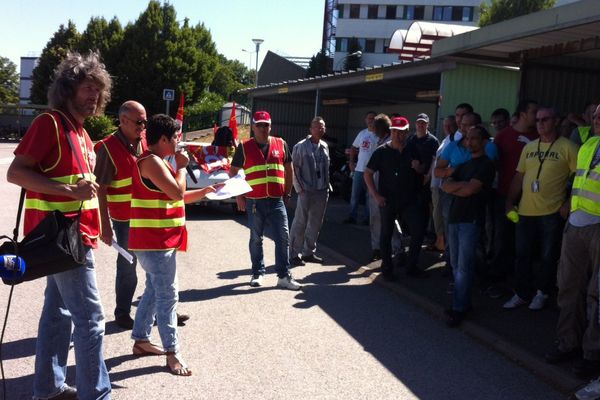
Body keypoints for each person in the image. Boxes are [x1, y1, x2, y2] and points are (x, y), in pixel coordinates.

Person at [7, 52, 112, 400]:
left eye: (98, 90)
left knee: (58, 314)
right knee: (91, 320)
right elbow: (16, 172)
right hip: (63, 240)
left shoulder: (80, 132)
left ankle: (48, 388)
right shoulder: (50, 123)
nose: (93, 96)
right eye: (86, 88)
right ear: (68, 89)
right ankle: (96, 394)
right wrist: (70, 190)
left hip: (76, 238)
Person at [128, 114, 219, 377]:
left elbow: (175, 197)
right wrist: (180, 167)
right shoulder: (152, 162)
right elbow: (177, 192)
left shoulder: (156, 161)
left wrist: (204, 192)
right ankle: (173, 353)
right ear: (164, 139)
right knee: (168, 296)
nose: (180, 142)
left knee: (154, 292)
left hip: (156, 241)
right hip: (154, 243)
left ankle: (141, 340)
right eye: (177, 137)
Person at [504, 107, 579, 311]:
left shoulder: (568, 147)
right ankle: (521, 293)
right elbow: (519, 177)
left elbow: (581, 177)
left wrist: (568, 202)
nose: (540, 123)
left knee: (548, 257)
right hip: (525, 212)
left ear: (555, 121)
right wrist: (510, 201)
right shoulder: (529, 148)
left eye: (545, 119)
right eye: (537, 120)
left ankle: (542, 293)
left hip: (552, 213)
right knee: (522, 255)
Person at [546, 105, 600, 379]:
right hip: (576, 225)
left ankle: (592, 354)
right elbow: (580, 182)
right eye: (596, 116)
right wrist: (569, 204)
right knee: (568, 287)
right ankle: (568, 343)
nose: (597, 120)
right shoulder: (589, 143)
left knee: (596, 295)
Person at [229, 111, 302, 290]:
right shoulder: (244, 147)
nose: (263, 128)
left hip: (277, 200)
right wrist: (239, 196)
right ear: (253, 127)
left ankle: (284, 276)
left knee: (283, 237)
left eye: (266, 125)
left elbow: (289, 169)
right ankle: (257, 272)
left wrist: (288, 193)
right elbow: (233, 172)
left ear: (271, 126)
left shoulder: (281, 143)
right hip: (254, 201)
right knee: (256, 238)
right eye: (259, 125)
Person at [94, 101, 147, 330]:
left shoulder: (143, 142)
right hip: (124, 220)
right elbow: (100, 190)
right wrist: (104, 226)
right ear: (123, 120)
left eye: (145, 121)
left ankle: (163, 310)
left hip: (147, 215)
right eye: (139, 122)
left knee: (158, 266)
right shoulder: (107, 148)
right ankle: (122, 312)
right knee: (128, 267)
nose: (143, 126)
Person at [442, 126, 496, 327]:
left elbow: (469, 190)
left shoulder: (486, 165)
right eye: (468, 138)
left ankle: (458, 309)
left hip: (471, 220)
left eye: (475, 138)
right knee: (456, 265)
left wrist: (459, 187)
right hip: (455, 219)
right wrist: (460, 187)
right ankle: (463, 303)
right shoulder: (465, 165)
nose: (470, 142)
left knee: (463, 267)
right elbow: (444, 184)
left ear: (484, 142)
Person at [484, 100, 538, 296]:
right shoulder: (503, 137)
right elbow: (492, 164)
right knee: (502, 239)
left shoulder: (538, 136)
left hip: (532, 200)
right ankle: (499, 280)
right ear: (523, 114)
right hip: (505, 196)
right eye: (534, 112)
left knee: (525, 242)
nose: (538, 117)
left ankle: (521, 283)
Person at [364, 116, 427, 280]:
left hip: (410, 200)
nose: (398, 135)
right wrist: (376, 195)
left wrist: (418, 167)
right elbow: (368, 173)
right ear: (391, 132)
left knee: (418, 232)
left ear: (407, 132)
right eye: (395, 132)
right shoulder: (382, 151)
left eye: (402, 132)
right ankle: (387, 269)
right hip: (388, 200)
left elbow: (423, 170)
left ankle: (411, 266)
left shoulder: (412, 149)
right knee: (386, 234)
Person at [289, 116, 330, 266]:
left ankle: (308, 252)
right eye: (317, 127)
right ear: (310, 129)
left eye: (322, 127)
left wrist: (327, 187)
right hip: (306, 190)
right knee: (300, 222)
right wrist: (299, 189)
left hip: (321, 190)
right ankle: (293, 254)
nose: (320, 129)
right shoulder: (300, 146)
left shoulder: (325, 146)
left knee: (315, 222)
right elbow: (294, 169)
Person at [429, 115, 458, 252]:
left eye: (450, 125)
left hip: (445, 185)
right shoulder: (446, 140)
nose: (447, 128)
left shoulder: (456, 141)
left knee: (444, 216)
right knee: (437, 215)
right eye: (445, 125)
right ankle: (440, 241)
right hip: (437, 184)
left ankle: (444, 245)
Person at [344, 111, 377, 227]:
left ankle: (367, 219)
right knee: (355, 194)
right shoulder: (362, 133)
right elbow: (353, 147)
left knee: (370, 195)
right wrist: (351, 162)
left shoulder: (378, 135)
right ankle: (352, 216)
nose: (371, 120)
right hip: (359, 169)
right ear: (365, 120)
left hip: (372, 171)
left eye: (373, 118)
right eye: (369, 118)